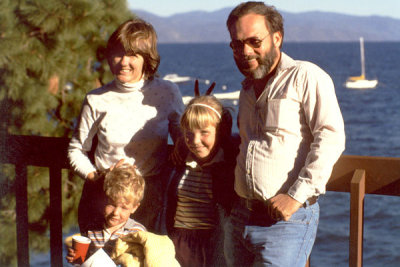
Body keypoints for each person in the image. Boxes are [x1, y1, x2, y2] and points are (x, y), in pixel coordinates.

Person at [224, 2, 346, 266]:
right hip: (241, 216)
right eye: (236, 44)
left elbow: (331, 136)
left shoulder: (305, 76)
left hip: (285, 221)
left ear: (277, 37)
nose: (245, 51)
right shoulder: (246, 88)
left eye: (254, 41)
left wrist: (295, 196)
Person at [68, 18, 184, 233]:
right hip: (103, 200)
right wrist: (97, 177)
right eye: (117, 53)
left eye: (132, 54)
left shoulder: (167, 92)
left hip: (148, 200)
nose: (123, 62)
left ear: (147, 58)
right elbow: (76, 150)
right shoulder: (96, 99)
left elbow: (182, 141)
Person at [166, 93, 239, 267]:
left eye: (204, 132)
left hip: (213, 245)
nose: (195, 141)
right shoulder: (179, 163)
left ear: (220, 131)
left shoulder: (228, 166)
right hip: (178, 243)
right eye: (188, 133)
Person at [66, 163, 146, 263]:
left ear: (134, 207)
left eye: (124, 208)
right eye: (111, 204)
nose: (116, 212)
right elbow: (87, 261)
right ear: (103, 200)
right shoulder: (92, 228)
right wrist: (76, 260)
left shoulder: (137, 232)